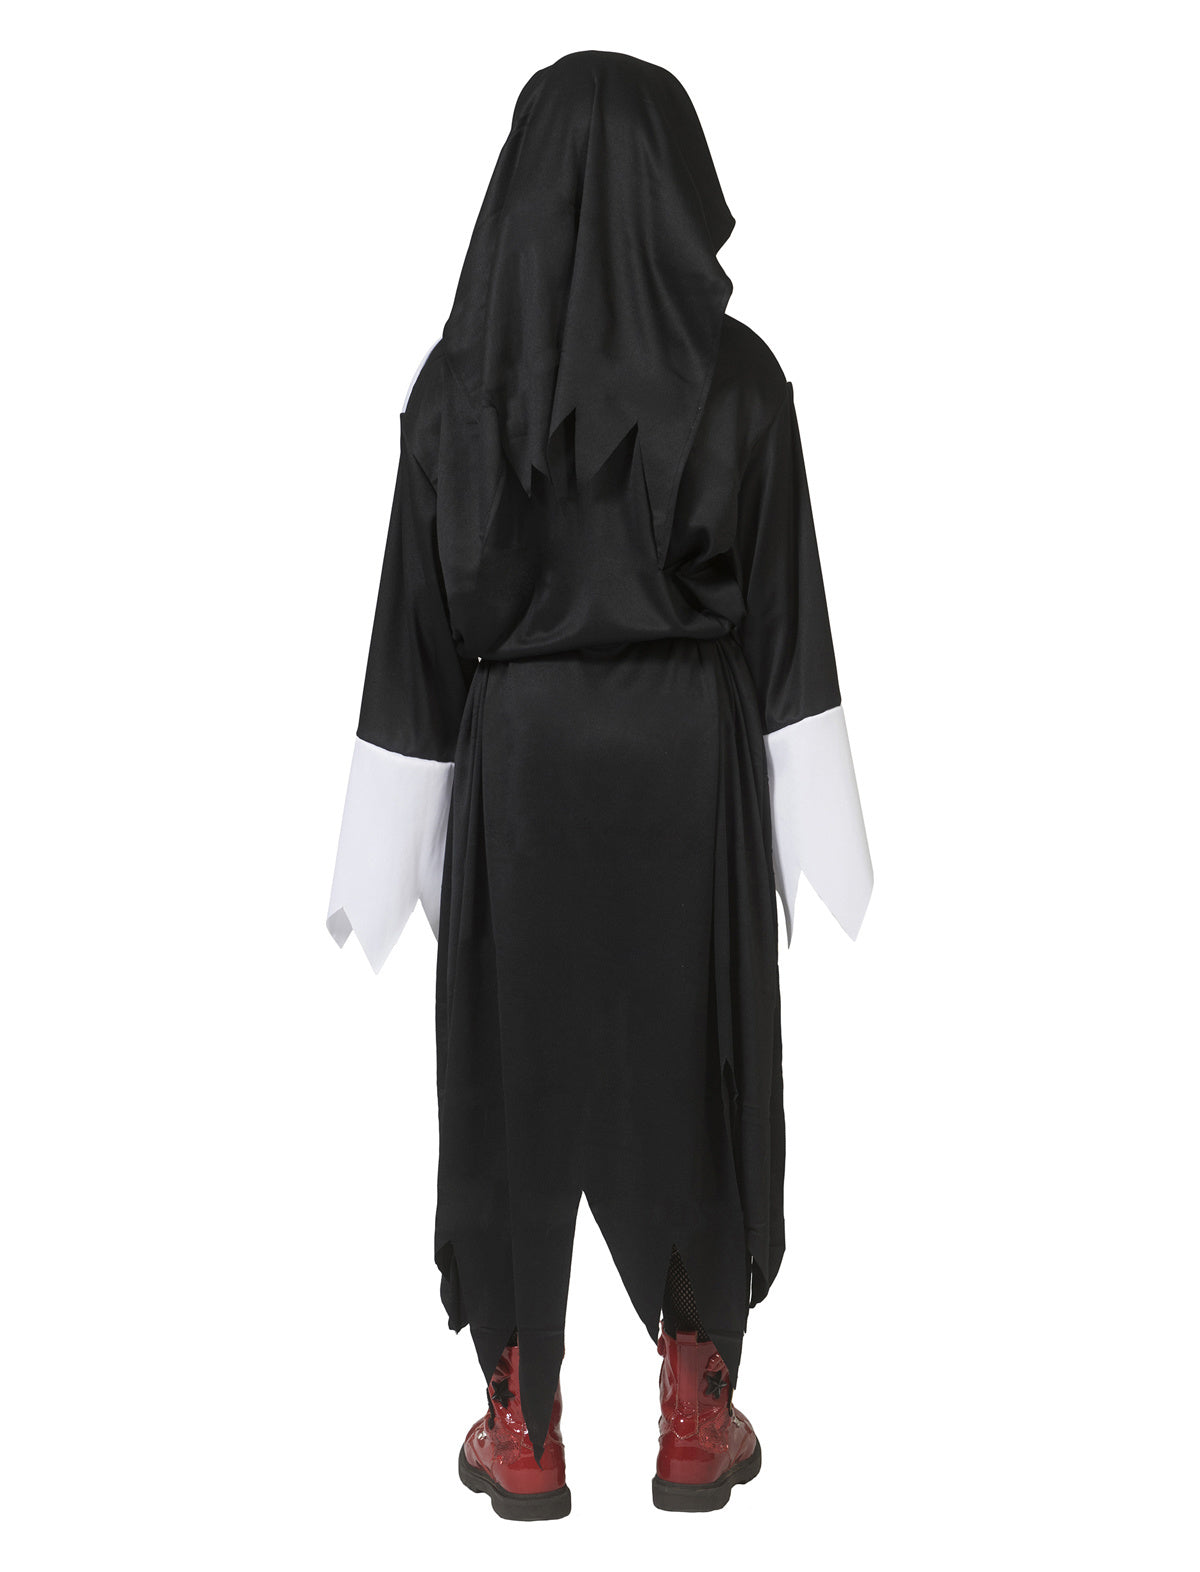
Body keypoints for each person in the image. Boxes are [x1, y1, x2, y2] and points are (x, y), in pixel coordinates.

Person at [326, 49, 872, 1519]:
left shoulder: (457, 390)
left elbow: (414, 624)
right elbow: (787, 613)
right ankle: (697, 1409)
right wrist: (824, 829)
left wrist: (383, 844)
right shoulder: (739, 381)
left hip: (522, 765)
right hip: (689, 761)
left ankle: (523, 1420)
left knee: (514, 1068)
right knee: (694, 1056)